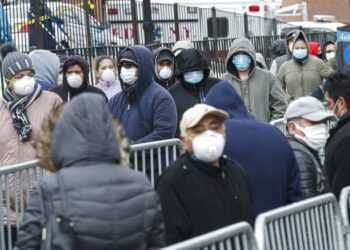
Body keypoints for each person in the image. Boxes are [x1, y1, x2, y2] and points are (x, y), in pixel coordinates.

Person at [14, 93, 165, 250]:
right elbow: (158, 243)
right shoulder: (141, 183)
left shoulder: (50, 188)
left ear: (61, 136)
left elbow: (26, 244)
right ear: (111, 132)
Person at [156, 103, 253, 244]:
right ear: (184, 140)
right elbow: (171, 238)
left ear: (224, 133)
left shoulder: (236, 171)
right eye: (198, 131)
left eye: (215, 128)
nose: (209, 135)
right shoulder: (173, 181)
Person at [205, 81, 303, 217]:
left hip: (234, 232)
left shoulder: (213, 141)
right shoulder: (275, 133)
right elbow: (295, 191)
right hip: (279, 229)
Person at [0, 42, 62, 247]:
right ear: (8, 81)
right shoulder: (1, 108)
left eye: (30, 74)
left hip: (43, 199)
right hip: (7, 206)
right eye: (19, 76)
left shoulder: (52, 100)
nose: (26, 80)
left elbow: (66, 139)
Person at [108, 45, 177, 144]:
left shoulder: (161, 98)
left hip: (152, 159)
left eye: (129, 65)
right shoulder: (115, 101)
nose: (124, 69)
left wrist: (130, 149)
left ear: (143, 67)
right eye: (122, 65)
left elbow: (163, 134)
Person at [221, 37, 287, 122]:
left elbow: (280, 106)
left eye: (244, 55)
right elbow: (219, 108)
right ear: (232, 59)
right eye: (237, 56)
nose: (241, 59)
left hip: (262, 132)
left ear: (251, 56)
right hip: (235, 132)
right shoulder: (224, 80)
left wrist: (270, 126)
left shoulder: (267, 78)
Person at [284, 96, 335, 198]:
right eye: (313, 122)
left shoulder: (306, 150)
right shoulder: (298, 157)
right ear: (292, 128)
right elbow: (308, 207)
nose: (321, 127)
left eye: (323, 122)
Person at [169, 48, 220, 136]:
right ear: (181, 74)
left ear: (203, 71)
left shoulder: (217, 86)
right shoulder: (173, 94)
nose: (194, 75)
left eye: (197, 71)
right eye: (189, 73)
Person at [278, 30, 334, 101]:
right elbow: (277, 88)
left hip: (315, 107)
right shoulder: (285, 67)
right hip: (294, 108)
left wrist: (321, 90)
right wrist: (288, 99)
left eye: (302, 48)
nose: (300, 50)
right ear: (293, 50)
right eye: (297, 48)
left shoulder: (318, 63)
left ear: (307, 48)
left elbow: (333, 79)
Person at [324, 72, 350, 199]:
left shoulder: (344, 140)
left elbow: (341, 191)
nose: (327, 110)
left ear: (341, 103)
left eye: (328, 103)